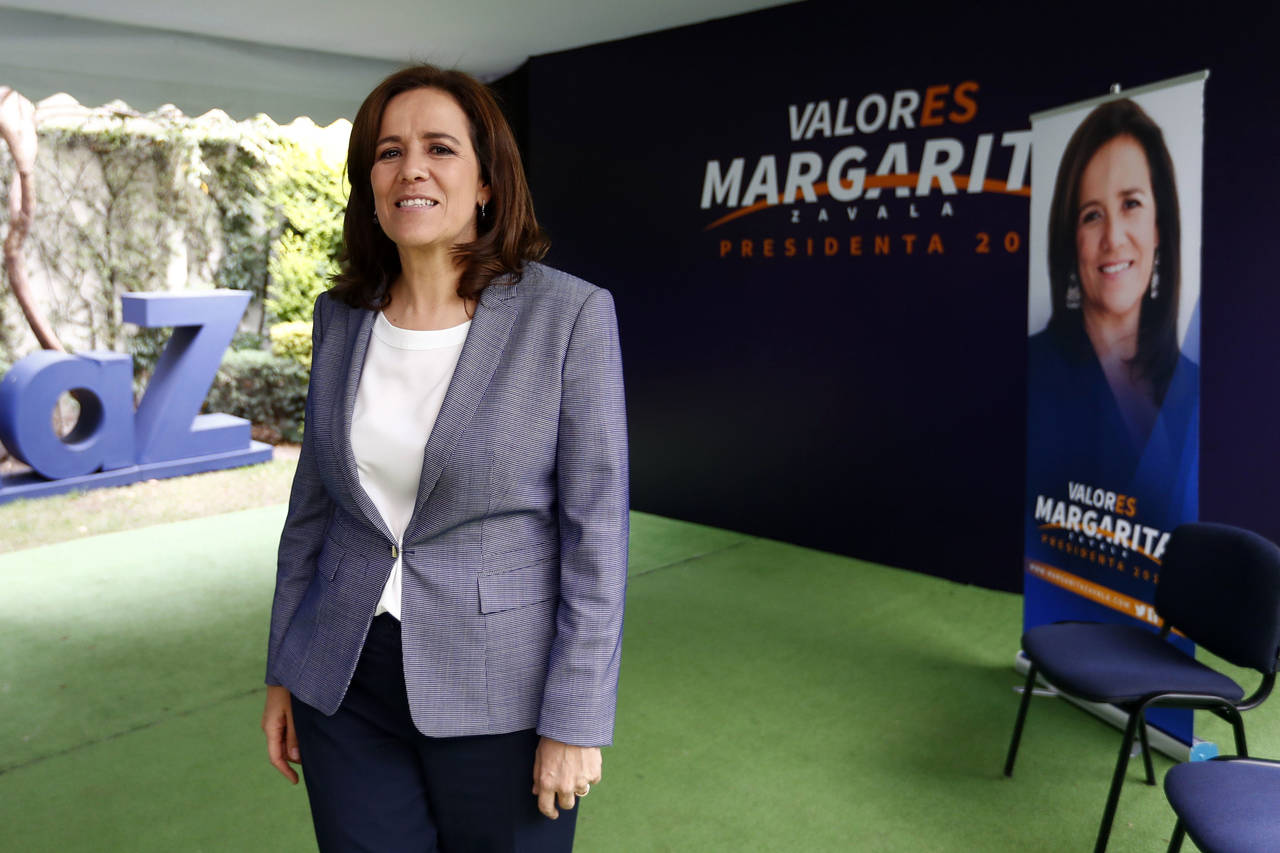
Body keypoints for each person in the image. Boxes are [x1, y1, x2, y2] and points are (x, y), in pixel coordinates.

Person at [259, 64, 628, 852]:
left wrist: (576, 717)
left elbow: (595, 536)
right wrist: (285, 665)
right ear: (369, 183)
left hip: (501, 690)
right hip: (343, 681)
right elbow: (311, 508)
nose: (412, 169)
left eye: (440, 148)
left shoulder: (569, 316)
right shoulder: (340, 316)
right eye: (389, 152)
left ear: (487, 182)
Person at [1026, 97, 1197, 600]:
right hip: (1064, 608)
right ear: (1070, 239)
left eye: (1131, 204)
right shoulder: (1036, 372)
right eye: (1092, 215)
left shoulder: (1192, 388)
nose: (1113, 237)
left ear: (1159, 226)